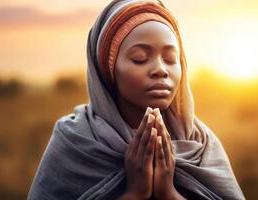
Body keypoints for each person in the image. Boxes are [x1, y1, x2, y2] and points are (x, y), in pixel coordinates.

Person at [28, 0, 245, 199]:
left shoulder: (199, 142)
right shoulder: (75, 141)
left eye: (170, 59)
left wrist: (168, 193)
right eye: (140, 58)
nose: (161, 70)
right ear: (108, 70)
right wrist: (135, 193)